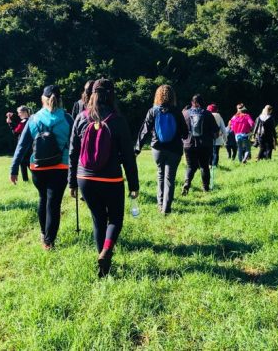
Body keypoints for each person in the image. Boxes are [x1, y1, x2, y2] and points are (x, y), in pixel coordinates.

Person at [68, 79, 139, 278]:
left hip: (85, 178)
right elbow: (128, 156)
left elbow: (72, 152)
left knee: (98, 219)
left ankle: (103, 265)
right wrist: (134, 185)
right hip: (111, 178)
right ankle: (107, 250)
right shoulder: (118, 120)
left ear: (92, 94)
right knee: (115, 218)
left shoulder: (81, 118)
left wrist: (72, 182)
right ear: (111, 95)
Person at [10, 85, 73, 250]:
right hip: (61, 167)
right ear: (60, 99)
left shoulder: (33, 119)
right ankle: (48, 242)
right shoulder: (68, 119)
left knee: (43, 199)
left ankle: (43, 233)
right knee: (54, 204)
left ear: (42, 99)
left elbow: (21, 146)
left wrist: (14, 169)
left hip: (38, 167)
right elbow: (76, 146)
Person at [135, 84, 188, 214]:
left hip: (157, 148)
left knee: (160, 175)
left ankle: (160, 205)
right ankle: (166, 209)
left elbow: (144, 131)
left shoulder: (153, 111)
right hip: (174, 149)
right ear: (172, 97)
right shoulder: (177, 111)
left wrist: (137, 148)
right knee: (170, 178)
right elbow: (185, 133)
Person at [181, 95, 219, 195]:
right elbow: (216, 131)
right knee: (204, 166)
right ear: (202, 103)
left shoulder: (185, 114)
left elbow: (180, 130)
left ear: (192, 102)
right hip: (205, 144)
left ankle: (187, 183)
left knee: (190, 166)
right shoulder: (208, 114)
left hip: (189, 144)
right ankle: (205, 188)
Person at [6, 105, 31, 182]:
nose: (18, 114)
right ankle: (32, 179)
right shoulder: (31, 119)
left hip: (24, 145)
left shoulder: (23, 122)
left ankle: (26, 180)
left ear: (24, 112)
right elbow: (18, 122)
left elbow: (16, 132)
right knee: (29, 162)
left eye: (19, 113)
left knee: (23, 162)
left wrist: (10, 124)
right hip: (31, 146)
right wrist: (12, 116)